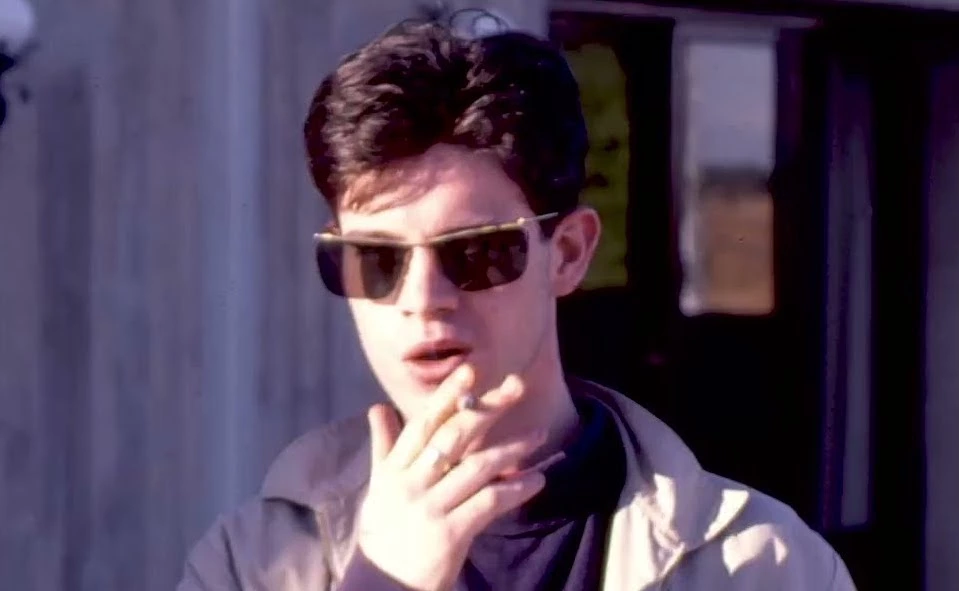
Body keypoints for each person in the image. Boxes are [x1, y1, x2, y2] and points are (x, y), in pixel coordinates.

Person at [177, 15, 856, 591]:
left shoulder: (768, 565)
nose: (422, 300)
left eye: (475, 253)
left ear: (567, 253)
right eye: (375, 260)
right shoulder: (250, 563)